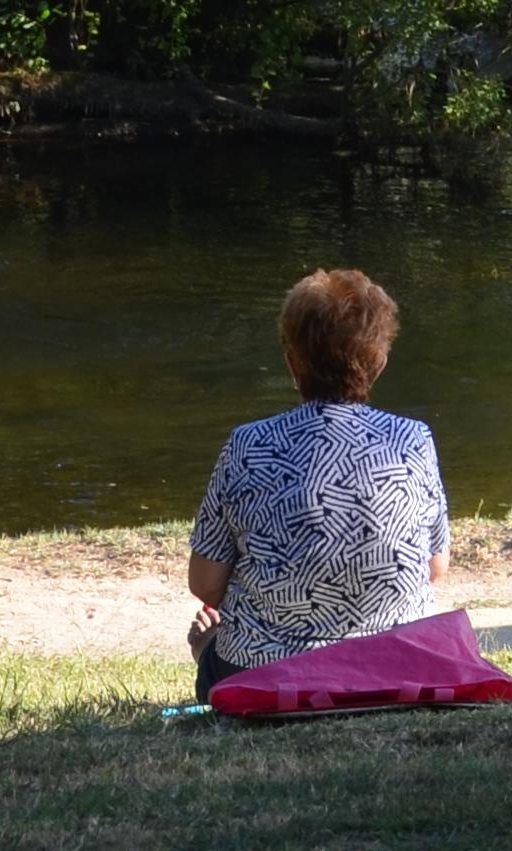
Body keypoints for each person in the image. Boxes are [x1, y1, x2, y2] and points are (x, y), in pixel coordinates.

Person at [188, 267, 452, 698]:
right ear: (380, 365)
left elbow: (205, 583)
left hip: (270, 677)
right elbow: (433, 567)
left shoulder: (248, 444)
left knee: (216, 646)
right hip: (396, 668)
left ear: (293, 364)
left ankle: (211, 654)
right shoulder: (413, 441)